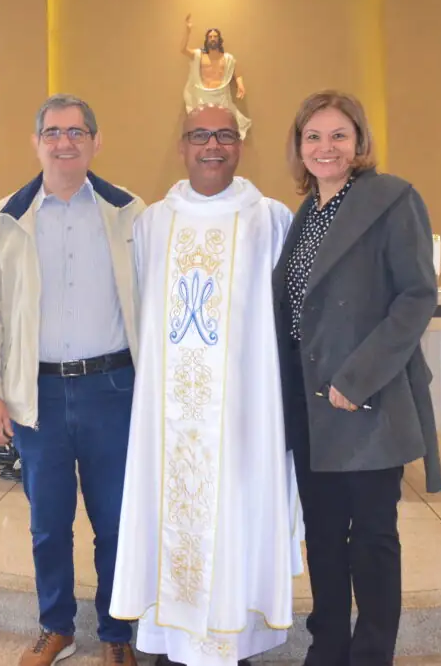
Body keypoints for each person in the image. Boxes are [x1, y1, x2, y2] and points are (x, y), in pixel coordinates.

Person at [110, 104, 303, 666]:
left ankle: (231, 639)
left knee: (236, 512)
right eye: (199, 136)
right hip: (167, 418)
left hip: (243, 415)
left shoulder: (271, 219)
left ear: (240, 145)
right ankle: (174, 642)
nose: (211, 146)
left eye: (224, 135)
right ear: (182, 146)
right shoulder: (152, 225)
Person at [0, 94, 147, 666]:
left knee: (115, 521)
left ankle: (117, 632)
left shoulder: (131, 213)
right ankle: (56, 626)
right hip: (36, 394)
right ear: (36, 143)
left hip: (113, 389)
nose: (64, 142)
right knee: (48, 522)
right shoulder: (1, 221)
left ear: (96, 141)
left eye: (76, 132)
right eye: (53, 132)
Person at [273, 90, 441, 666]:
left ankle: (371, 655)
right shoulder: (305, 214)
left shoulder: (391, 199)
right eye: (313, 136)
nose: (326, 147)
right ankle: (327, 648)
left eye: (338, 135)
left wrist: (358, 378)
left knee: (371, 537)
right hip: (309, 403)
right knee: (322, 534)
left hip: (363, 400)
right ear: (299, 146)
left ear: (359, 141)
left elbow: (416, 296)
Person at [180, 14, 252, 140]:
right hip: (202, 98)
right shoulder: (198, 55)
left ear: (219, 40)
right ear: (207, 40)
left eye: (215, 37)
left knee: (223, 130)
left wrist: (240, 85)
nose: (212, 39)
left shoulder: (228, 58)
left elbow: (237, 73)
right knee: (202, 130)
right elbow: (183, 49)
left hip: (221, 97)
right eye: (210, 37)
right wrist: (188, 31)